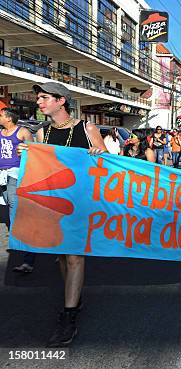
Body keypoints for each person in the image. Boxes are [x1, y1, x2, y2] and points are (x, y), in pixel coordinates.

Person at [17, 82, 107, 348]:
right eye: (38, 98)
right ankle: (75, 299)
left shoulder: (86, 128)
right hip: (53, 203)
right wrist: (27, 154)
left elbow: (109, 163)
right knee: (62, 257)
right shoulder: (43, 132)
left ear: (61, 101)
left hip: (80, 201)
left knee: (75, 257)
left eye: (44, 98)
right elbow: (38, 166)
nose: (39, 103)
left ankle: (69, 317)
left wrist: (99, 154)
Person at [0, 108, 34, 273]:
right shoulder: (1, 132)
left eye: (0, 115)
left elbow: (34, 153)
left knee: (17, 217)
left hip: (16, 176)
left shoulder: (23, 132)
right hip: (1, 177)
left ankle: (28, 259)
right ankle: (20, 250)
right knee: (8, 218)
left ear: (8, 118)